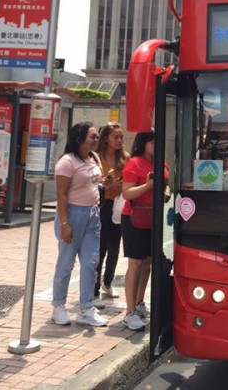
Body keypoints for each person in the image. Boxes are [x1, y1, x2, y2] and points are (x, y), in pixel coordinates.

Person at [52, 122, 107, 327]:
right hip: (72, 215)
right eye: (92, 136)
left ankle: (86, 308)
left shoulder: (94, 158)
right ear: (79, 138)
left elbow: (96, 183)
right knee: (66, 263)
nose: (96, 140)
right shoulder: (66, 162)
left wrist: (106, 183)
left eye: (96, 136)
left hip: (93, 215)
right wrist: (65, 223)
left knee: (91, 262)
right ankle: (58, 306)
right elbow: (61, 194)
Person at [120, 130, 170, 331]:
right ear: (143, 143)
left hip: (154, 217)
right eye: (153, 141)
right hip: (134, 217)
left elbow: (166, 183)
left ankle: (139, 302)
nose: (157, 144)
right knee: (135, 263)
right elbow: (127, 192)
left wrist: (165, 192)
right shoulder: (134, 163)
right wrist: (149, 185)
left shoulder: (161, 162)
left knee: (148, 262)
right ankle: (129, 311)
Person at [95, 123, 129, 301]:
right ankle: (94, 289)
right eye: (116, 137)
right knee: (100, 247)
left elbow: (131, 179)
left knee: (115, 247)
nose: (120, 140)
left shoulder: (125, 157)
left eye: (121, 137)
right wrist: (106, 183)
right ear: (106, 138)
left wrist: (122, 184)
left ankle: (107, 283)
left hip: (119, 204)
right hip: (101, 204)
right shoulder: (96, 157)